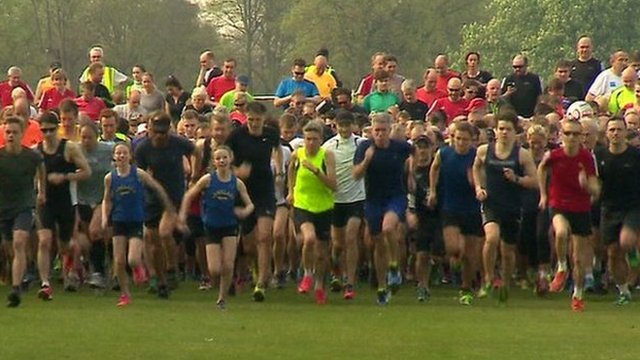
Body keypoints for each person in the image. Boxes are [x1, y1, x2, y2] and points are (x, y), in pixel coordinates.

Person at [473, 112, 538, 302]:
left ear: (514, 132)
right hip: (491, 203)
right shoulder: (484, 150)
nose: (504, 133)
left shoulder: (522, 154)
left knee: (508, 250)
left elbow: (535, 181)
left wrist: (516, 178)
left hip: (512, 205)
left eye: (508, 129)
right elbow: (476, 167)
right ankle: (488, 279)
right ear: (495, 130)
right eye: (501, 128)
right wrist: (479, 187)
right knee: (491, 238)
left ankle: (506, 283)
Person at [179, 145, 254, 309]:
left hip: (230, 226)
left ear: (230, 159)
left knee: (228, 265)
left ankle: (222, 298)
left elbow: (250, 205)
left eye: (224, 157)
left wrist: (243, 212)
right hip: (211, 226)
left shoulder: (237, 183)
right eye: (218, 158)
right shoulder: (208, 179)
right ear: (214, 161)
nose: (222, 161)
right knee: (214, 269)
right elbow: (189, 196)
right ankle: (221, 285)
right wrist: (183, 216)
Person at [538, 119, 600, 312]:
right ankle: (562, 267)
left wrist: (586, 185)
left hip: (581, 208)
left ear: (581, 136)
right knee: (562, 232)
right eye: (567, 133)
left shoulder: (587, 158)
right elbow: (541, 169)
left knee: (580, 259)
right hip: (558, 204)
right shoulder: (554, 155)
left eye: (575, 134)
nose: (571, 138)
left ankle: (578, 295)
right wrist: (543, 194)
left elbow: (596, 189)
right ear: (561, 135)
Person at [102, 142, 174, 307]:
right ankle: (125, 294)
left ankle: (139, 269)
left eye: (124, 153)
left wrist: (167, 204)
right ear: (114, 156)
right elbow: (107, 199)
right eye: (118, 153)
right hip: (119, 220)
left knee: (133, 258)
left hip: (136, 220)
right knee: (119, 261)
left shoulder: (138, 174)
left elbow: (156, 186)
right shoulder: (110, 178)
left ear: (130, 156)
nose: (121, 156)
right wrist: (105, 218)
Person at [226, 102, 283, 302]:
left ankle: (262, 283)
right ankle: (254, 268)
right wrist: (236, 172)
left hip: (265, 190)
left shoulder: (271, 134)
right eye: (250, 120)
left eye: (257, 120)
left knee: (265, 236)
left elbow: (278, 150)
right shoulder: (236, 136)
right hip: (244, 192)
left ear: (263, 119)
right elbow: (221, 161)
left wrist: (279, 171)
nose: (253, 124)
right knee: (249, 245)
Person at [135, 112, 195, 298]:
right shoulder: (143, 148)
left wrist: (193, 175)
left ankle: (171, 268)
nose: (160, 136)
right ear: (150, 130)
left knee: (165, 232)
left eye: (163, 132)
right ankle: (160, 280)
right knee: (153, 243)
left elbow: (196, 151)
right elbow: (139, 172)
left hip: (174, 195)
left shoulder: (178, 143)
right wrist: (147, 179)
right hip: (152, 197)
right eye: (156, 132)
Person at [353, 113, 411, 305]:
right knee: (377, 243)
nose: (379, 135)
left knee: (388, 228)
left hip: (396, 196)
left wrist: (412, 174)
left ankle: (394, 266)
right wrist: (367, 160)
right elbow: (356, 175)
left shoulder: (400, 147)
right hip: (373, 199)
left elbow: (416, 155)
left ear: (390, 130)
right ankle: (381, 286)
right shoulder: (364, 147)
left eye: (383, 131)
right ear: (372, 130)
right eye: (376, 131)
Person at [36, 111, 91, 299]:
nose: (48, 134)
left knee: (65, 244)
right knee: (44, 240)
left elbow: (86, 171)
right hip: (46, 201)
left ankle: (74, 269)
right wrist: (39, 191)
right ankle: (45, 282)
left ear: (57, 128)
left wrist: (65, 177)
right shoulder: (37, 151)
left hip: (65, 200)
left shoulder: (69, 148)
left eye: (51, 130)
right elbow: (33, 176)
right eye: (44, 130)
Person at [428, 121, 482, 305]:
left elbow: (483, 178)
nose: (461, 143)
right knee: (453, 248)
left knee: (470, 253)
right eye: (457, 138)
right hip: (450, 207)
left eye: (465, 140)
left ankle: (466, 288)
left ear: (472, 140)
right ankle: (455, 266)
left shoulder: (476, 157)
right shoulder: (444, 153)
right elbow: (434, 168)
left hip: (472, 208)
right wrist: (433, 190)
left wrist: (477, 184)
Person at [288, 121, 337, 304]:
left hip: (324, 206)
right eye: (307, 139)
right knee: (308, 239)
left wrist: (317, 171)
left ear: (321, 140)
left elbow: (333, 185)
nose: (310, 143)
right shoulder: (297, 154)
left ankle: (319, 285)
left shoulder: (327, 156)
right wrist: (291, 192)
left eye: (314, 139)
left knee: (323, 254)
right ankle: (307, 274)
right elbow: (291, 171)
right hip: (303, 204)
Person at [1, 116, 46, 307]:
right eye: (8, 132)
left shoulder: (31, 156)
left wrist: (42, 191)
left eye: (14, 132)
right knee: (11, 248)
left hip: (24, 206)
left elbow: (42, 169)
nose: (11, 135)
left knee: (19, 242)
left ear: (22, 134)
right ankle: (21, 272)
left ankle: (16, 289)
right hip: (4, 209)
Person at [322, 111, 366, 300]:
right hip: (336, 199)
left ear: (353, 126)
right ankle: (336, 272)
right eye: (341, 126)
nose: (345, 129)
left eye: (348, 125)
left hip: (356, 198)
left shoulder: (361, 144)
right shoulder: (329, 146)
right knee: (338, 244)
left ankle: (350, 282)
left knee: (351, 239)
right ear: (336, 126)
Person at [597, 118, 640, 305]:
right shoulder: (600, 156)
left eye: (619, 129)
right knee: (613, 253)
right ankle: (623, 291)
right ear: (607, 133)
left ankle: (633, 253)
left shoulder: (635, 155)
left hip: (633, 206)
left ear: (625, 132)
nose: (615, 133)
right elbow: (596, 181)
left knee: (626, 240)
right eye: (612, 129)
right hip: (609, 208)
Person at [77, 122, 114, 289]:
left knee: (95, 231)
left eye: (89, 137)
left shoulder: (107, 150)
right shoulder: (74, 151)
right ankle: (92, 267)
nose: (86, 141)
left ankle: (99, 272)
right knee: (85, 239)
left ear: (96, 136)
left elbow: (122, 158)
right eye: (83, 137)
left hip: (101, 198)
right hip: (81, 199)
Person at [408, 135, 439, 301]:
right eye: (419, 147)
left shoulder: (437, 166)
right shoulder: (410, 169)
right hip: (421, 215)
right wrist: (411, 212)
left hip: (439, 213)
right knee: (421, 253)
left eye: (426, 147)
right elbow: (407, 193)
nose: (423, 150)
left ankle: (436, 266)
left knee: (444, 251)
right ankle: (422, 285)